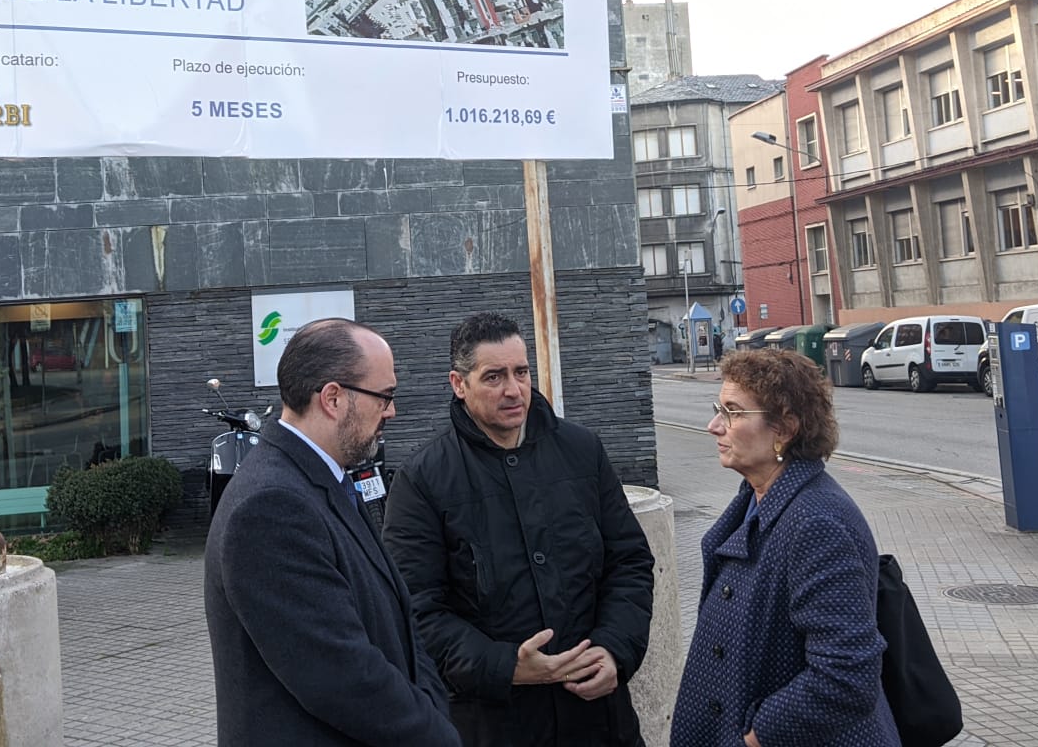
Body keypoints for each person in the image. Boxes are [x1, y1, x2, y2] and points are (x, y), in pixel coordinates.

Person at [382, 312, 655, 746]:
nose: (513, 389)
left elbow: (630, 562)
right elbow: (415, 609)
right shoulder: (423, 480)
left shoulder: (582, 452)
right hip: (493, 724)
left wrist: (615, 649)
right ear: (459, 384)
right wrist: (503, 665)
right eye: (493, 376)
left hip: (600, 721)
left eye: (521, 372)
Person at [205, 318, 460, 747]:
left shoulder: (325, 477)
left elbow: (402, 624)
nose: (392, 411)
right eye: (385, 396)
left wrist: (434, 709)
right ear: (333, 398)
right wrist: (439, 737)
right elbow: (341, 675)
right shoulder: (269, 507)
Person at [671, 348, 899, 747]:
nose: (714, 426)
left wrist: (757, 737)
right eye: (717, 409)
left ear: (785, 428)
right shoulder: (758, 497)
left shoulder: (816, 522)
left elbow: (846, 675)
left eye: (733, 412)